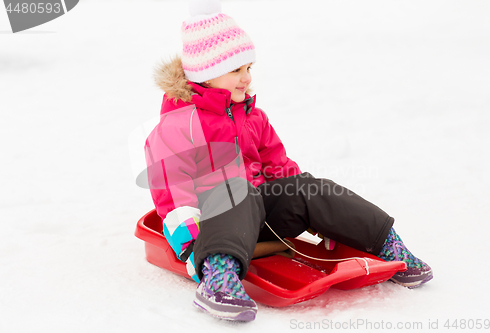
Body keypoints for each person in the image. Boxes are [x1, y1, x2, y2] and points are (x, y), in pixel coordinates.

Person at [144, 0, 432, 322]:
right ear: (206, 75)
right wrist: (192, 240)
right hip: (211, 228)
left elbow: (280, 169)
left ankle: (386, 242)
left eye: (248, 68)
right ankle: (219, 277)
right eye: (236, 70)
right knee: (236, 189)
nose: (246, 78)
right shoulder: (179, 126)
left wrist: (321, 216)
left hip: (258, 218)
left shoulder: (254, 118)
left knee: (307, 188)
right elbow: (173, 189)